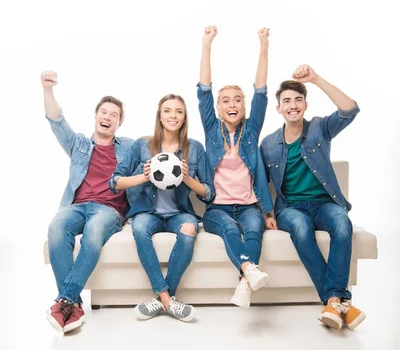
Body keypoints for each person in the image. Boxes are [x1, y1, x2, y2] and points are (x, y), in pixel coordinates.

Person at [260, 64, 365, 330]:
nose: (292, 105)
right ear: (278, 109)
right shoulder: (269, 143)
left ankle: (333, 300)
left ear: (305, 105)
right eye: (287, 101)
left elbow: (350, 109)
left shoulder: (319, 128)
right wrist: (266, 212)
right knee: (301, 229)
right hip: (291, 208)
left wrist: (316, 79)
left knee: (343, 224)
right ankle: (340, 301)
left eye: (298, 100)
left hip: (324, 204)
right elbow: (259, 182)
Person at [42, 71, 133, 333]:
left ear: (119, 123)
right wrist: (47, 89)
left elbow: (157, 145)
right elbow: (56, 121)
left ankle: (65, 301)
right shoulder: (79, 144)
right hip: (77, 206)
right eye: (103, 112)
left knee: (93, 234)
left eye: (113, 115)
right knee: (57, 227)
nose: (107, 117)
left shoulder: (127, 147)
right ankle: (73, 302)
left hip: (109, 210)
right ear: (96, 116)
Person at [110, 94, 214, 322]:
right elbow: (115, 181)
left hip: (178, 213)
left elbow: (209, 193)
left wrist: (187, 178)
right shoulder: (142, 145)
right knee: (139, 228)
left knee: (189, 228)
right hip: (149, 212)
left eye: (178, 111)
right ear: (159, 115)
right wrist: (142, 176)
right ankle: (168, 300)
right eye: (167, 110)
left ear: (185, 117)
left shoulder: (194, 148)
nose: (173, 116)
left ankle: (161, 299)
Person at [197, 26, 277, 309]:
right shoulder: (211, 129)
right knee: (231, 230)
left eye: (237, 100)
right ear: (218, 108)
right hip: (217, 208)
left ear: (244, 107)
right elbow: (204, 90)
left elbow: (261, 91)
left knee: (254, 231)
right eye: (225, 100)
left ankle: (244, 283)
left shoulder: (252, 130)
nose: (232, 104)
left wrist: (263, 46)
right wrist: (207, 44)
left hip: (249, 206)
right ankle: (249, 271)